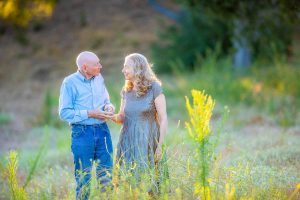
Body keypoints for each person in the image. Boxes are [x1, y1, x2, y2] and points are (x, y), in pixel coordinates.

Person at [109, 53, 168, 194]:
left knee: (152, 185)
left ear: (138, 68)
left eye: (126, 67)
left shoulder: (154, 88)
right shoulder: (126, 90)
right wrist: (109, 115)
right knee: (131, 185)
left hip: (149, 140)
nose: (123, 70)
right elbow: (122, 117)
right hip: (128, 141)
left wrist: (160, 146)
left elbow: (163, 118)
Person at [59, 51, 115, 200]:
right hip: (82, 133)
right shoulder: (69, 82)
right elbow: (64, 113)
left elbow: (106, 101)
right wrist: (89, 113)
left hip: (103, 131)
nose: (100, 66)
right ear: (85, 67)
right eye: (96, 64)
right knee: (84, 180)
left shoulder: (99, 78)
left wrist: (109, 108)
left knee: (107, 177)